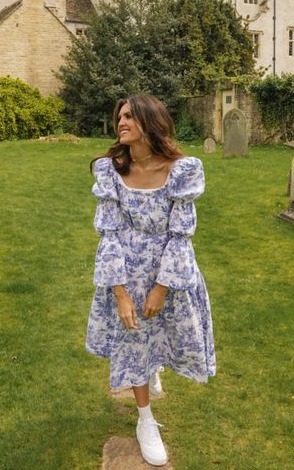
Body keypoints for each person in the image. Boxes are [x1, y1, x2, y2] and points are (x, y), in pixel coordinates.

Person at [86, 94, 215, 467]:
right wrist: (121, 293)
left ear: (150, 121)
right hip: (126, 269)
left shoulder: (182, 170)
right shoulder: (110, 170)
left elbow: (180, 234)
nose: (121, 122)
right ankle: (145, 420)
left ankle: (154, 367)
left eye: (129, 116)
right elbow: (108, 234)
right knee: (133, 340)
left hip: (168, 270)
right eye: (119, 116)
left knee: (163, 332)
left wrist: (161, 287)